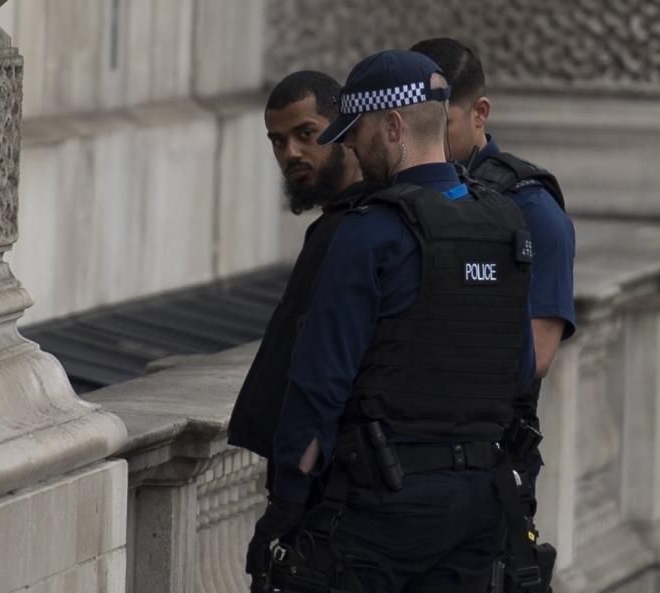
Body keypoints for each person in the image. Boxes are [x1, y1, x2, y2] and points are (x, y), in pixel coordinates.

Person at [246, 49, 536, 593]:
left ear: (394, 126)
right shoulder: (504, 220)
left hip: (381, 511)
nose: (350, 145)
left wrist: (285, 506)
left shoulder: (368, 233)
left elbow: (318, 388)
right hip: (479, 509)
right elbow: (520, 371)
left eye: (357, 133)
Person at [412, 37, 576, 528]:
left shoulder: (531, 210)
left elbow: (535, 356)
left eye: (441, 126)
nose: (424, 143)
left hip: (485, 471)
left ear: (479, 113)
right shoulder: (400, 198)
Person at [227, 71, 367, 491]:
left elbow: (328, 377)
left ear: (345, 129)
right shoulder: (335, 227)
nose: (291, 153)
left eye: (307, 134)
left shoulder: (359, 231)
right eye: (277, 140)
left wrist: (295, 488)